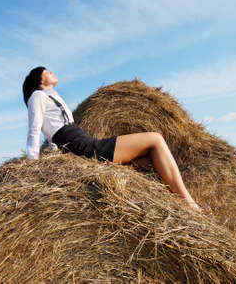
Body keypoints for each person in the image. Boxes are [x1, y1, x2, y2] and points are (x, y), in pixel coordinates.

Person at [23, 66, 201, 212]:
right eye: (47, 72)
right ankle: (190, 205)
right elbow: (35, 129)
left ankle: (174, 206)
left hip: (80, 144)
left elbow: (51, 135)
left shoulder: (50, 96)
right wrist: (34, 166)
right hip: (85, 147)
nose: (52, 72)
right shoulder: (37, 96)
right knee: (156, 139)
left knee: (149, 162)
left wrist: (53, 153)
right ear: (39, 80)